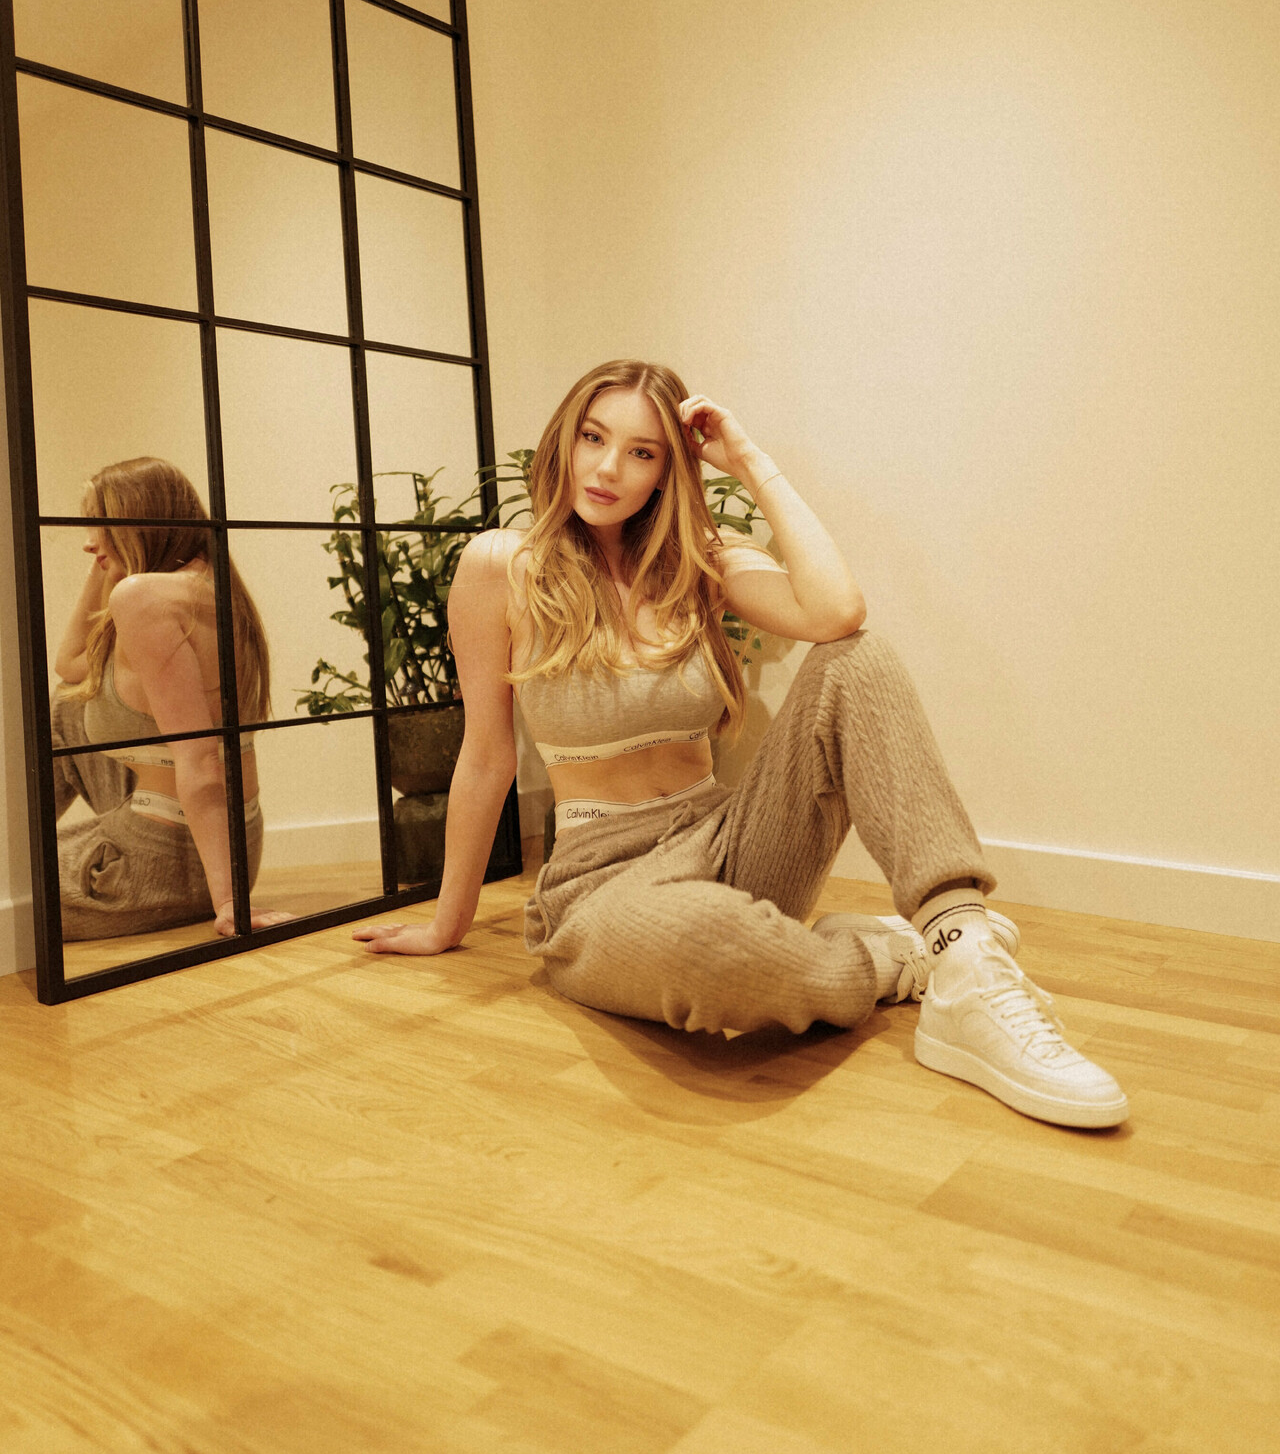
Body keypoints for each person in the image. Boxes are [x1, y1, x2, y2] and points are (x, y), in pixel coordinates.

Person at [353, 361, 1128, 1129]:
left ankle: (964, 954)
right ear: (565, 438)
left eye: (642, 452)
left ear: (669, 471)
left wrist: (751, 462)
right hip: (602, 883)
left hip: (730, 838)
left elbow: (836, 614)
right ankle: (892, 962)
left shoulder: (698, 560)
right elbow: (486, 756)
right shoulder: (501, 567)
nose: (608, 467)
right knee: (709, 946)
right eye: (593, 437)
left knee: (855, 659)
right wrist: (446, 924)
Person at [52, 455, 293, 940]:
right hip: (226, 843)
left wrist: (229, 903)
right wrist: (110, 558)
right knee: (66, 706)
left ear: (139, 522)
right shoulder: (209, 584)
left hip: (160, 862)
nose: (88, 542)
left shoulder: (142, 598)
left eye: (99, 524)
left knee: (13, 890)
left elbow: (200, 757)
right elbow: (71, 664)